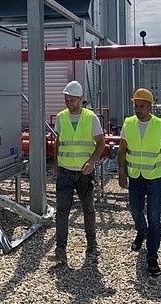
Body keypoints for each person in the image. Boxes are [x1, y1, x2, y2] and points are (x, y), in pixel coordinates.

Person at [117, 88, 161, 275]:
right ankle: (141, 231)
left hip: (155, 177)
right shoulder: (128, 123)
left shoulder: (160, 125)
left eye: (141, 106)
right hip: (135, 176)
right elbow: (122, 150)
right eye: (135, 105)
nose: (137, 109)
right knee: (135, 210)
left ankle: (152, 257)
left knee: (154, 217)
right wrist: (121, 171)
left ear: (150, 106)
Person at [53, 80, 105, 264]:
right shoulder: (61, 117)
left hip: (84, 173)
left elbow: (101, 142)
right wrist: (56, 163)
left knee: (88, 209)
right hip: (65, 171)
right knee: (62, 210)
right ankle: (60, 248)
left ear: (80, 99)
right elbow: (59, 141)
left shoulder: (90, 118)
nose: (68, 102)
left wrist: (92, 161)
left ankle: (91, 243)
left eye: (72, 99)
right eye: (67, 99)